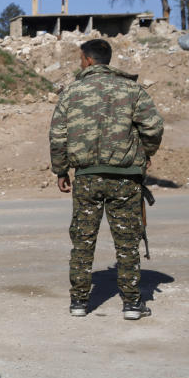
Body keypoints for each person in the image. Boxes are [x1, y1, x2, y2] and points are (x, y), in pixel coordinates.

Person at [49, 38, 164, 320]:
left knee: (83, 240)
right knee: (127, 242)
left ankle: (78, 302)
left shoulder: (72, 91)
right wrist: (145, 154)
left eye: (80, 58)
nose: (79, 62)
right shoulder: (132, 89)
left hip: (87, 178)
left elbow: (57, 135)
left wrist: (61, 170)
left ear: (88, 59)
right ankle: (132, 304)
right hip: (125, 179)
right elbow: (154, 126)